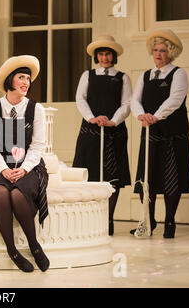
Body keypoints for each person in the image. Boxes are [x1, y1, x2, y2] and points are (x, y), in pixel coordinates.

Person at [0, 55, 49, 272]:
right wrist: (3, 169)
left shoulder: (35, 109)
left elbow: (38, 145)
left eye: (28, 79)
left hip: (29, 165)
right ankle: (12, 251)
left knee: (17, 194)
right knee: (0, 192)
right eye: (21, 77)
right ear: (10, 80)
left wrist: (23, 169)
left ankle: (34, 245)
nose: (26, 82)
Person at [130, 29, 189, 238]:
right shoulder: (145, 75)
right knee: (147, 178)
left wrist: (155, 116)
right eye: (155, 50)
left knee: (171, 179)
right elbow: (134, 100)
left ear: (170, 53)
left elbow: (175, 100)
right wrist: (141, 116)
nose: (158, 54)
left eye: (163, 51)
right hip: (150, 133)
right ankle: (149, 221)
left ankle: (170, 222)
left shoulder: (179, 74)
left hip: (172, 134)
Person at [72, 35, 132, 235]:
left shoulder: (122, 77)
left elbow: (126, 104)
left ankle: (108, 219)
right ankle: (89, 218)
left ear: (113, 56)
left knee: (113, 176)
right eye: (101, 54)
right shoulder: (87, 75)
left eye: (108, 54)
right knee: (89, 173)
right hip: (91, 130)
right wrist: (92, 118)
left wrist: (113, 120)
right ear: (96, 56)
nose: (104, 57)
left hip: (114, 131)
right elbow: (80, 99)